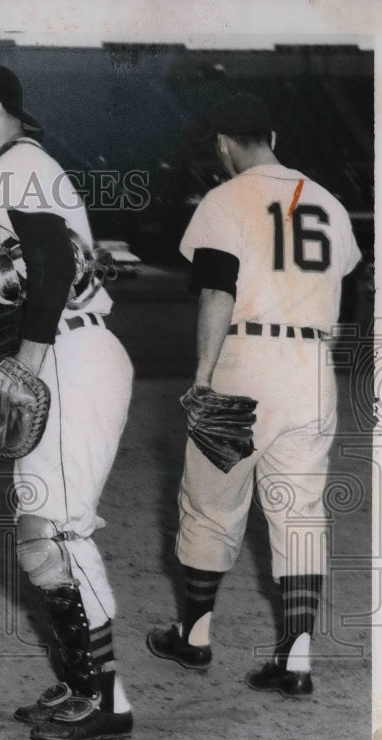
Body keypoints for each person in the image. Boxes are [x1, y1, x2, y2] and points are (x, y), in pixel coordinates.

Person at [0, 60, 135, 740]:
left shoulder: (17, 163)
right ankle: (82, 680)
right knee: (37, 531)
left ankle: (108, 699)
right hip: (67, 352)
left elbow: (50, 263)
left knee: (57, 532)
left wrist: (24, 365)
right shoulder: (16, 169)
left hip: (72, 355)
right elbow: (33, 276)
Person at [146, 93, 362, 697]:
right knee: (301, 513)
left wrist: (203, 376)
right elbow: (346, 287)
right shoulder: (329, 202)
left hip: (245, 360)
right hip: (312, 368)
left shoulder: (225, 199)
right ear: (272, 137)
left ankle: (193, 638)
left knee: (211, 503)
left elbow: (217, 291)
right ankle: (296, 660)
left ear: (223, 145)